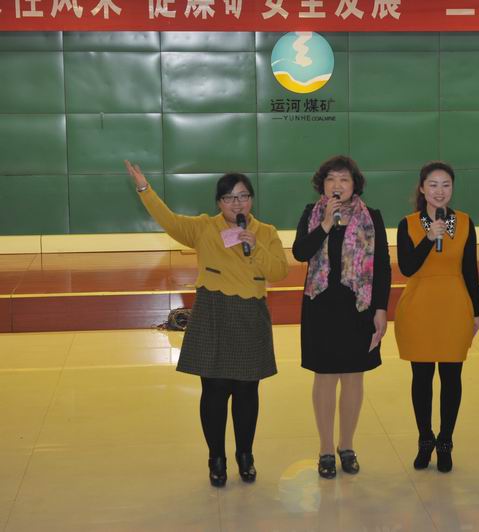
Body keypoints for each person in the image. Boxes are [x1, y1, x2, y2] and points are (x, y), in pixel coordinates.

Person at [124, 161, 289, 486]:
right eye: (229, 198)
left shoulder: (266, 233)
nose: (237, 204)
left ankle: (245, 455)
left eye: (243, 196)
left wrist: (255, 247)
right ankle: (216, 458)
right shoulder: (204, 228)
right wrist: (145, 188)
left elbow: (279, 272)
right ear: (219, 203)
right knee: (214, 390)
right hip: (213, 312)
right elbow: (169, 221)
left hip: (250, 315)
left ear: (252, 200)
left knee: (247, 390)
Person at [291, 155, 391, 479]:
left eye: (344, 179)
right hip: (320, 305)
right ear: (322, 185)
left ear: (354, 185)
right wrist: (324, 225)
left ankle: (346, 446)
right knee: (324, 377)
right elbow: (300, 252)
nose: (337, 185)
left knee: (353, 378)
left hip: (358, 307)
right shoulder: (312, 214)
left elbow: (383, 267)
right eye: (331, 179)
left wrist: (380, 308)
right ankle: (325, 449)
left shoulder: (371, 217)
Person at [394, 161, 479, 473]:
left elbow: (471, 270)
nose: (440, 191)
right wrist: (429, 238)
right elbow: (407, 267)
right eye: (433, 185)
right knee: (421, 377)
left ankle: (446, 441)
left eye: (446, 185)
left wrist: (477, 312)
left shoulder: (465, 222)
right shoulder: (408, 224)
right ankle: (425, 439)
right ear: (422, 189)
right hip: (418, 307)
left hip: (455, 306)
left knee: (451, 377)